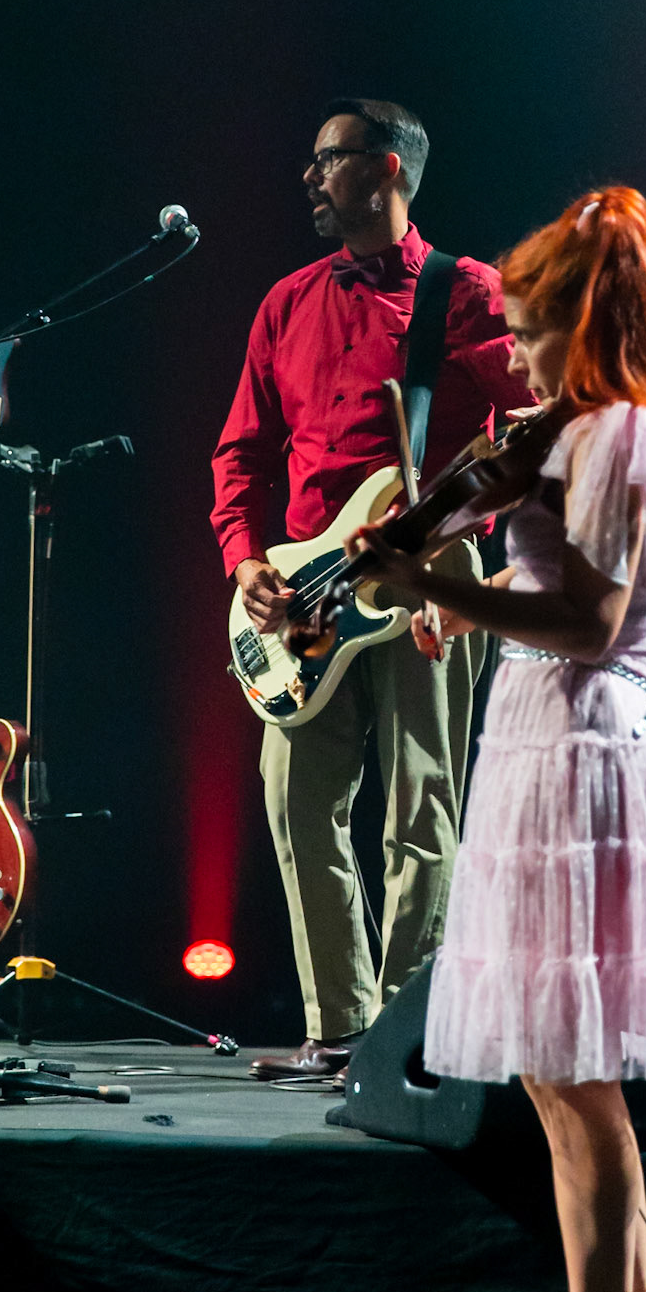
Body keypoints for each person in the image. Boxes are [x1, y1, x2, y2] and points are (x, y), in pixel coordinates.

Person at [350, 185, 646, 1292]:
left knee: (575, 1079)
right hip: (574, 736)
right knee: (561, 1065)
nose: (513, 358)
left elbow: (587, 623)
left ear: (585, 324)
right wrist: (454, 597)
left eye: (528, 333)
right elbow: (569, 589)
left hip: (581, 747)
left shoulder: (618, 437)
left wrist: (425, 573)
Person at [211, 98, 532, 1082]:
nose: (309, 176)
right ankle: (341, 1025)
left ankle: (408, 1031)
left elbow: (524, 444)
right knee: (295, 797)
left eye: (329, 159)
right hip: (307, 582)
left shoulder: (469, 293)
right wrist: (247, 562)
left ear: (385, 167)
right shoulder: (287, 300)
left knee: (420, 800)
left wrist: (467, 550)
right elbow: (240, 451)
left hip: (430, 566)